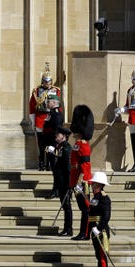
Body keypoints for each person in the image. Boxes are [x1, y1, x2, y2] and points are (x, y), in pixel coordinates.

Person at [29, 62, 62, 171]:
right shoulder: (37, 91)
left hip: (52, 120)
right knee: (41, 145)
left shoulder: (56, 91)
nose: (47, 84)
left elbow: (59, 106)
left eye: (49, 82)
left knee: (52, 144)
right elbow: (32, 107)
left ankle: (50, 162)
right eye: (45, 81)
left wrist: (59, 121)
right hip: (40, 120)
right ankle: (42, 163)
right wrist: (33, 121)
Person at [68, 105, 94, 241]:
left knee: (86, 209)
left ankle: (85, 233)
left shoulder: (83, 145)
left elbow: (85, 165)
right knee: (83, 208)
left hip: (82, 182)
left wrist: (81, 181)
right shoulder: (78, 144)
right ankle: (83, 232)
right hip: (76, 181)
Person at [87, 171, 112, 267]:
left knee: (102, 256)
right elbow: (89, 213)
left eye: (94, 184)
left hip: (101, 231)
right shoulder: (95, 197)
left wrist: (99, 228)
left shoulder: (104, 198)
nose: (92, 186)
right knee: (98, 255)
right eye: (93, 184)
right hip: (94, 230)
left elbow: (106, 216)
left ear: (100, 185)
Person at [43, 94, 65, 198]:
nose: (47, 103)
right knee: (54, 168)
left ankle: (56, 190)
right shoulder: (51, 113)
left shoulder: (56, 114)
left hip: (53, 143)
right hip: (49, 143)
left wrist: (54, 145)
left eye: (49, 101)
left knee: (56, 168)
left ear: (54, 103)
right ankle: (56, 189)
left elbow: (56, 130)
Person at [53, 126, 73, 236]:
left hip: (65, 182)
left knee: (67, 206)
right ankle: (66, 228)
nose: (56, 136)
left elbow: (68, 168)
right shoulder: (60, 147)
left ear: (64, 136)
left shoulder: (66, 148)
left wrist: (70, 184)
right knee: (65, 206)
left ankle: (68, 229)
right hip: (61, 182)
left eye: (58, 135)